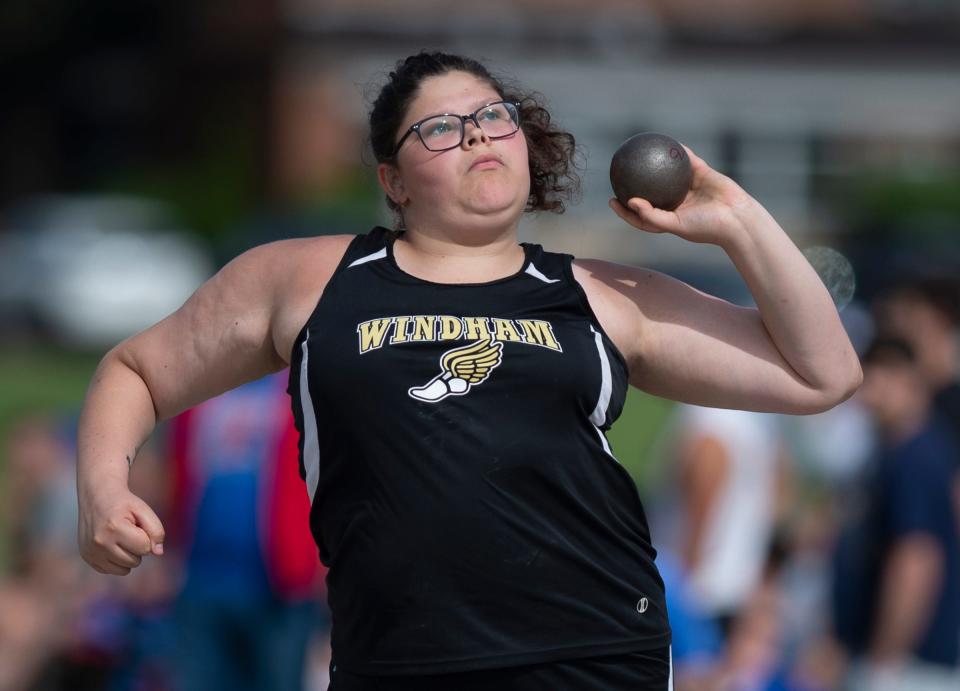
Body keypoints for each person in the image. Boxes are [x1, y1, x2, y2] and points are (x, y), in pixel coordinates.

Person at [76, 51, 861, 690]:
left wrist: (734, 220)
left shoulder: (599, 293)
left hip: (593, 654)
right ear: (393, 178)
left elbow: (821, 373)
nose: (479, 136)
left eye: (494, 117)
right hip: (399, 660)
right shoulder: (310, 279)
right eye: (442, 129)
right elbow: (136, 370)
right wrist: (103, 490)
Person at [832, 337, 960, 690]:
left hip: (908, 665)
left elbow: (916, 559)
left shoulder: (913, 458)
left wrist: (883, 661)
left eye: (887, 372)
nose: (874, 386)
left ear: (914, 382)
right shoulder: (894, 453)